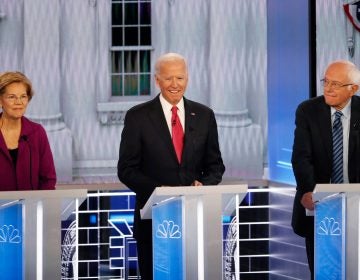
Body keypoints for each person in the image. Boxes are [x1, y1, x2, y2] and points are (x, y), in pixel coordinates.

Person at [117, 53, 225, 279]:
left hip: (194, 218)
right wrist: (161, 191)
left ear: (187, 78)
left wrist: (204, 184)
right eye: (168, 79)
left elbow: (215, 166)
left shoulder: (204, 115)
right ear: (157, 80)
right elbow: (126, 169)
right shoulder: (138, 117)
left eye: (180, 78)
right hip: (153, 220)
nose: (175, 85)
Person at [291, 60, 360, 279]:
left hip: (356, 205)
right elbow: (301, 158)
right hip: (319, 206)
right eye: (326, 82)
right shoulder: (308, 111)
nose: (328, 88)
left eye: (336, 84)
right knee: (323, 270)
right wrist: (308, 191)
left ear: (353, 89)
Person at [0, 71, 56, 190]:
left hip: (30, 207)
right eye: (12, 97)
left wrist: (42, 206)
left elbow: (48, 179)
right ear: (0, 101)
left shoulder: (37, 132)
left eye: (23, 97)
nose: (19, 102)